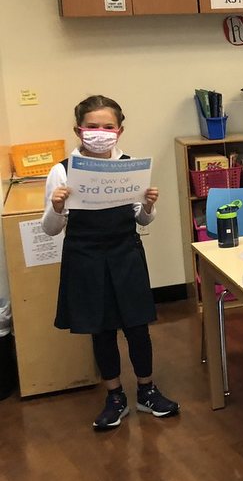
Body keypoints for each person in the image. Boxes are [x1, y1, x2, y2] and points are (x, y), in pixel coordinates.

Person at [42, 95, 179, 430]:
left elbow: (143, 220)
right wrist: (57, 207)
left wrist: (148, 205)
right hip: (84, 257)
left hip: (125, 253)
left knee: (137, 327)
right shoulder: (61, 171)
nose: (99, 132)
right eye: (92, 126)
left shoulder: (130, 167)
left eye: (107, 126)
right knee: (101, 330)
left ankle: (146, 389)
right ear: (78, 129)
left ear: (119, 130)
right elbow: (49, 229)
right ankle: (114, 396)